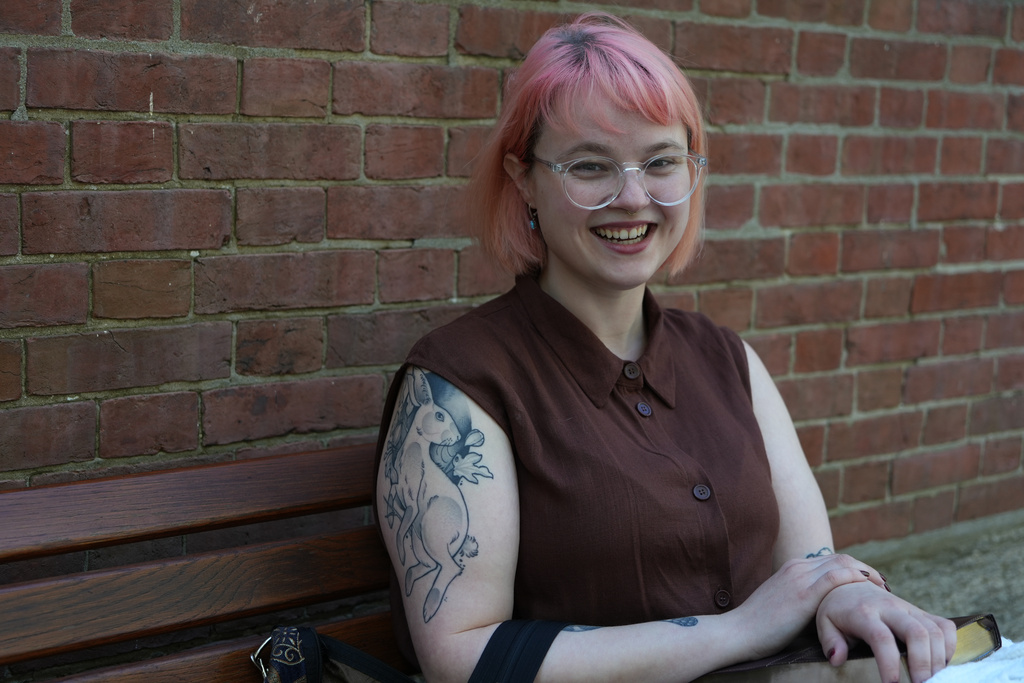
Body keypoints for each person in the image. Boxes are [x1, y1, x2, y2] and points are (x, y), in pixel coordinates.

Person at [374, 12, 956, 683]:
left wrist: (846, 597)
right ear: (524, 179)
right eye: (590, 166)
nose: (633, 197)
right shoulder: (461, 381)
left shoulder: (727, 359)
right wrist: (738, 630)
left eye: (660, 162)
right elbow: (460, 656)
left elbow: (809, 567)